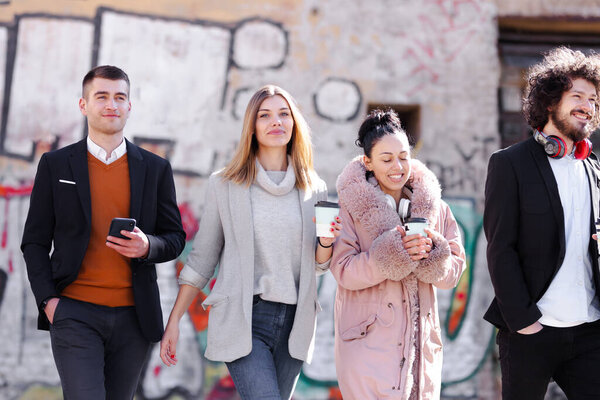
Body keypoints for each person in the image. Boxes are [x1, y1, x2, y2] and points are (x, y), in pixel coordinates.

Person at [159, 85, 342, 399]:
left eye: (284, 114)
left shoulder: (314, 188)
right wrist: (174, 320)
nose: (276, 122)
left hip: (295, 324)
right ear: (252, 127)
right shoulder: (226, 184)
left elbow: (319, 266)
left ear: (295, 124)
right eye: (265, 115)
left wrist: (326, 241)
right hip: (245, 319)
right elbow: (202, 258)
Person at [21, 65, 186, 399]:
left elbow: (175, 238)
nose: (111, 104)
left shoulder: (154, 169)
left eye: (119, 97)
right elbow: (34, 242)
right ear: (84, 105)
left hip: (134, 319)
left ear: (129, 106)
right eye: (102, 96)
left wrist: (147, 246)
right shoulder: (56, 165)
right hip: (74, 313)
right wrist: (49, 302)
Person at [484, 47, 600, 399]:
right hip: (531, 331)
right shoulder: (510, 164)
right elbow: (500, 248)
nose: (588, 105)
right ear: (550, 102)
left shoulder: (594, 170)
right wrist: (524, 321)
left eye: (593, 99)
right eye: (577, 96)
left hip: (589, 330)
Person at [330, 109, 466, 399]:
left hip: (421, 351)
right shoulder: (350, 206)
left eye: (403, 156)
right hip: (366, 347)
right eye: (387, 158)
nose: (398, 166)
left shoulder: (435, 208)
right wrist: (389, 256)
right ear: (368, 161)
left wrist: (434, 256)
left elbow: (453, 272)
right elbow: (342, 269)